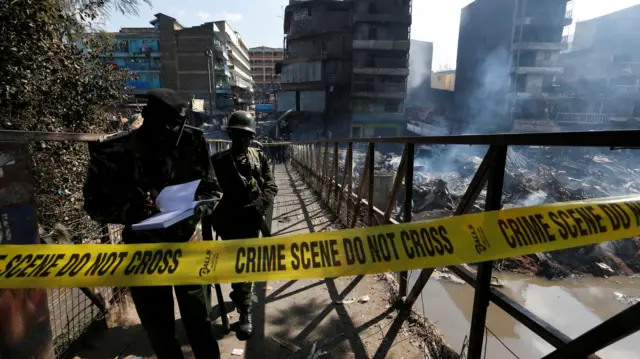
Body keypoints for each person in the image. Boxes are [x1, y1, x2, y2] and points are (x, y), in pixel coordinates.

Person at [83, 88, 220, 359]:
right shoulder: (114, 151)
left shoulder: (193, 141)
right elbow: (94, 205)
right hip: (143, 252)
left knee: (200, 324)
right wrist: (131, 210)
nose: (174, 132)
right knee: (159, 330)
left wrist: (191, 209)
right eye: (166, 125)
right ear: (146, 117)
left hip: (188, 247)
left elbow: (212, 191)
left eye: (179, 124)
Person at [208, 110, 278, 339]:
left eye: (247, 136)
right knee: (234, 265)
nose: (243, 140)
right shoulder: (218, 161)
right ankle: (240, 298)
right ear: (230, 134)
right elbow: (207, 191)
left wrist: (260, 204)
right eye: (238, 135)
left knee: (245, 266)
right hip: (229, 222)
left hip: (251, 221)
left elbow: (271, 186)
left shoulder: (259, 157)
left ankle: (244, 311)